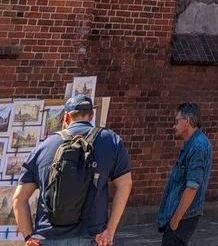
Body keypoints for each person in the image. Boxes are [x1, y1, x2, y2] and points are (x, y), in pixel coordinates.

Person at [13, 93, 132, 246]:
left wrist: (28, 237)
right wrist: (110, 230)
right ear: (91, 115)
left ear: (66, 117)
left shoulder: (42, 148)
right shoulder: (112, 142)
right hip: (93, 235)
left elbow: (19, 198)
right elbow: (125, 184)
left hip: (48, 236)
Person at [155, 105, 212, 246]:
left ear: (187, 121)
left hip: (184, 216)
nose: (174, 126)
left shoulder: (198, 146)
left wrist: (175, 221)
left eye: (176, 121)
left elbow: (193, 186)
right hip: (180, 215)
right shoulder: (193, 144)